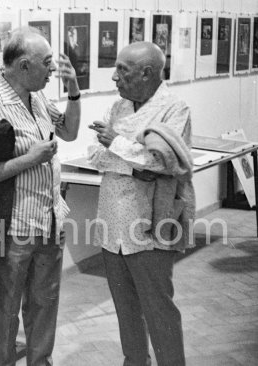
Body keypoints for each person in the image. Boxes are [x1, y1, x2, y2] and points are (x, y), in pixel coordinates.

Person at [0, 27, 81, 366]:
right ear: (24, 65)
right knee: (7, 307)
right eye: (47, 63)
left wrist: (73, 92)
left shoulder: (38, 96)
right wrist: (31, 158)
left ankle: (40, 361)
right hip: (15, 225)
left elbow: (70, 132)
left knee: (45, 302)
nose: (52, 70)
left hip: (50, 217)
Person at [88, 41, 194, 366]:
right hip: (111, 223)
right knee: (125, 308)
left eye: (122, 70)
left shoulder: (174, 109)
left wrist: (118, 144)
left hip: (149, 227)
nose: (113, 78)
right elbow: (94, 156)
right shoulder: (118, 107)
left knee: (159, 309)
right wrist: (136, 165)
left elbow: (165, 163)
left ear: (146, 73)